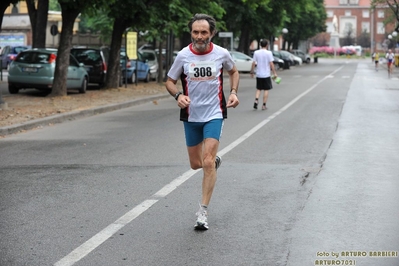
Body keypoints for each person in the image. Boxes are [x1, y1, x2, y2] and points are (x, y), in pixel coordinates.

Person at [165, 13, 240, 230]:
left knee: (207, 160)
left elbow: (233, 71)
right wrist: (178, 95)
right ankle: (213, 164)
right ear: (191, 33)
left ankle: (203, 212)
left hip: (215, 113)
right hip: (191, 115)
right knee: (196, 164)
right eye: (196, 32)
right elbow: (169, 81)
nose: (199, 36)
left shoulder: (221, 54)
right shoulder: (183, 56)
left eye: (204, 32)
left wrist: (233, 92)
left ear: (212, 33)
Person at [250, 39, 278, 110]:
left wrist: (252, 72)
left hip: (259, 74)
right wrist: (274, 72)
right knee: (266, 89)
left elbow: (253, 63)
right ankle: (264, 105)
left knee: (258, 88)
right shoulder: (269, 53)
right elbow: (271, 63)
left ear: (260, 45)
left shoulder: (256, 52)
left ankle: (256, 100)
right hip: (266, 74)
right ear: (267, 45)